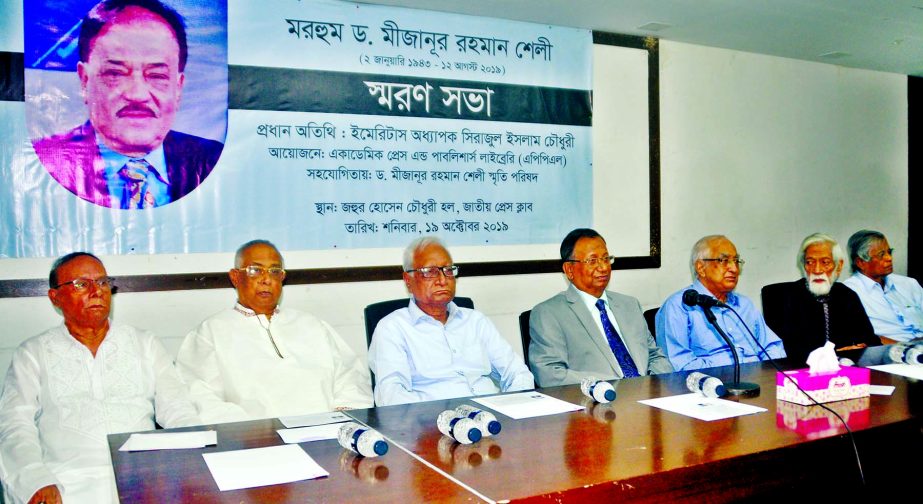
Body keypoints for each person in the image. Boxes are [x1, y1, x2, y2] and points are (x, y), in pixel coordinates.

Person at [0, 252, 199, 504]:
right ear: (55, 297)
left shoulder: (144, 343)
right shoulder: (33, 353)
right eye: (82, 284)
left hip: (143, 477)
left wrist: (194, 463)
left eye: (103, 282)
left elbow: (178, 410)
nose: (97, 292)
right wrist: (35, 481)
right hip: (66, 481)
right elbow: (15, 425)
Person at [32, 0, 223, 209]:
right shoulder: (45, 162)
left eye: (157, 75)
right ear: (84, 80)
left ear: (178, 88)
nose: (137, 95)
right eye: (115, 73)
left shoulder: (211, 160)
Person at [176, 240, 372, 423]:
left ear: (282, 278)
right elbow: (199, 396)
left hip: (326, 435)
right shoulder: (210, 332)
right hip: (254, 443)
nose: (266, 279)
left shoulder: (312, 325)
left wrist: (341, 419)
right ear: (235, 277)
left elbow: (351, 377)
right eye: (255, 270)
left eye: (275, 271)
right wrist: (248, 432)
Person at [368, 236, 534, 406]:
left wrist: (514, 408)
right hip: (433, 425)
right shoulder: (392, 329)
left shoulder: (475, 321)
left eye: (448, 270)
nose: (442, 280)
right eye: (430, 272)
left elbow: (518, 374)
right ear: (408, 281)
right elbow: (391, 398)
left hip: (491, 418)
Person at [528, 228, 673, 387]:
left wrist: (650, 386)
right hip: (596, 403)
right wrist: (611, 386)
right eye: (592, 261)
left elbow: (655, 357)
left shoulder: (629, 305)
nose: (603, 267)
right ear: (569, 270)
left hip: (647, 396)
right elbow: (549, 374)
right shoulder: (549, 313)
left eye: (606, 259)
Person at [656, 235, 786, 371]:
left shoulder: (744, 304)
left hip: (760, 381)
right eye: (724, 261)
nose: (734, 269)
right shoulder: (678, 307)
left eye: (736, 261)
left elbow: (772, 346)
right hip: (714, 385)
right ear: (701, 268)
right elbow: (680, 366)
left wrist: (768, 374)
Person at [762, 233, 879, 365]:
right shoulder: (781, 298)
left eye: (825, 262)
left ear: (838, 266)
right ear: (803, 266)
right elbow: (788, 351)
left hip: (846, 374)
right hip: (800, 375)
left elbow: (871, 342)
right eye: (810, 262)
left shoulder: (847, 295)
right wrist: (839, 354)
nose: (817, 270)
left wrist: (859, 348)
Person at [843, 230, 923, 343]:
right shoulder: (848, 292)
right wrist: (907, 349)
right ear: (861, 262)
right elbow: (860, 337)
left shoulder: (909, 284)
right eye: (881, 255)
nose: (889, 258)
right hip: (890, 354)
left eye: (889, 252)